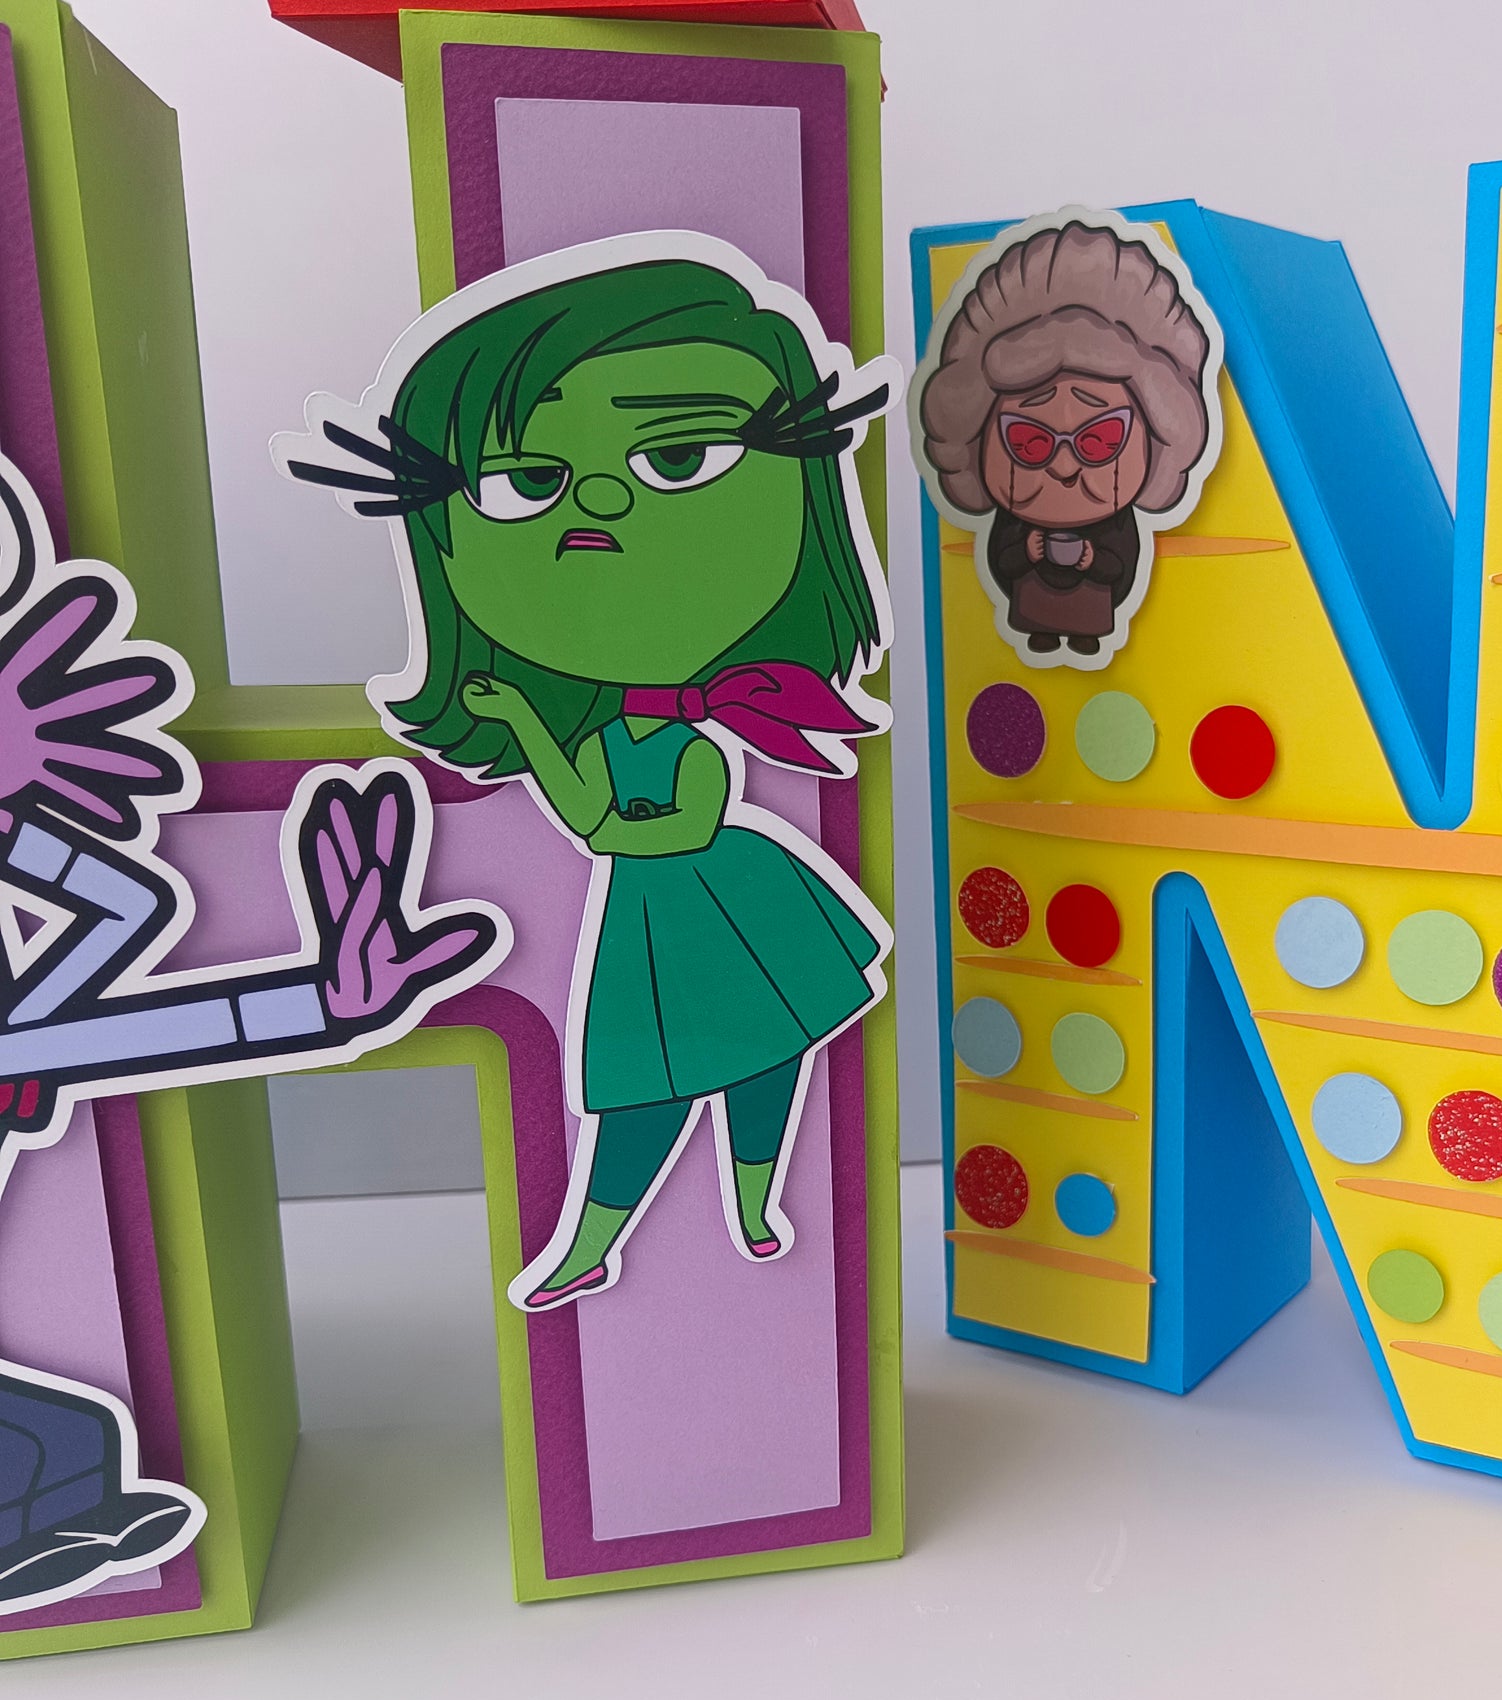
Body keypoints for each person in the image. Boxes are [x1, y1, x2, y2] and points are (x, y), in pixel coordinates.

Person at [287, 253, 895, 1306]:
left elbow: (659, 827)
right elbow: (587, 815)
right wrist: (524, 720)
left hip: (735, 901)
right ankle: (592, 1243)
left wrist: (610, 819)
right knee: (640, 1086)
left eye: (682, 456)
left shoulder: (698, 742)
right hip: (648, 924)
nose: (603, 501)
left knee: (770, 1055)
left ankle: (755, 1204)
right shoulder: (614, 736)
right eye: (527, 480)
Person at [915, 217, 1217, 660]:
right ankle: (1041, 632)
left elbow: (1123, 565)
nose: (1063, 465)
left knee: (1089, 624)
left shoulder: (1117, 524)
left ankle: (1084, 636)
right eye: (1028, 442)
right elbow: (1002, 560)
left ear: (1158, 437)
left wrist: (1092, 559)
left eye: (1100, 439)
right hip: (1027, 606)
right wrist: (1027, 550)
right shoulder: (1013, 521)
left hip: (1095, 608)